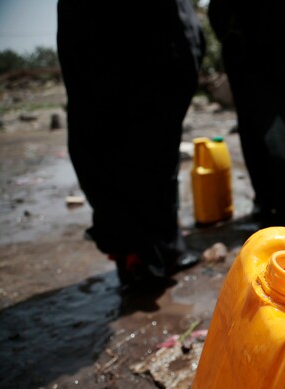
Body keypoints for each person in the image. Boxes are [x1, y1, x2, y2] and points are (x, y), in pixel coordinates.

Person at [56, 0, 205, 289]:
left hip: (87, 27)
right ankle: (151, 255)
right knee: (152, 132)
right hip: (147, 29)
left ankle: (128, 249)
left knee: (101, 126)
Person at [207, 0, 285, 228]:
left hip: (258, 33)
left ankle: (280, 201)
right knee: (276, 114)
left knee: (277, 115)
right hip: (255, 34)